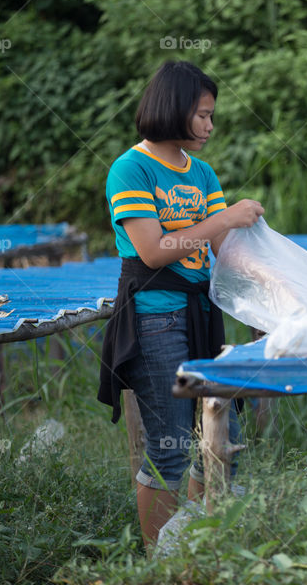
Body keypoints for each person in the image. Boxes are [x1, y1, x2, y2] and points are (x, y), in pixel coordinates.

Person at [98, 60, 264, 549]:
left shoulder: (202, 172)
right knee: (169, 448)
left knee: (221, 440)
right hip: (155, 319)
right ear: (172, 111)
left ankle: (197, 547)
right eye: (203, 116)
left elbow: (222, 250)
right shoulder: (131, 169)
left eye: (212, 117)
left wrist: (294, 284)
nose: (210, 127)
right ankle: (160, 561)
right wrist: (226, 218)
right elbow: (152, 250)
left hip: (201, 316)